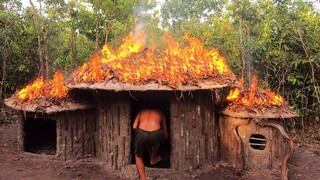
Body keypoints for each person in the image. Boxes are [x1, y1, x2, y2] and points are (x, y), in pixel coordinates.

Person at [133, 108, 168, 180]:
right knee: (156, 140)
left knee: (138, 155)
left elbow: (134, 127)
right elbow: (165, 134)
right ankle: (153, 157)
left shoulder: (141, 111)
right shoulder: (161, 113)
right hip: (156, 134)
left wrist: (140, 134)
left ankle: (143, 178)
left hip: (142, 133)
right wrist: (164, 141)